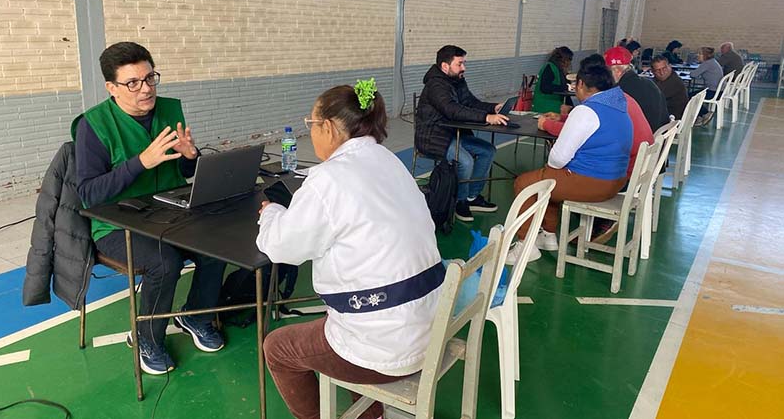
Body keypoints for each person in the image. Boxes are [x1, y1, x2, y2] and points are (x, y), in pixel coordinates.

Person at [258, 82, 443, 419]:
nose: (311, 133)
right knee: (348, 317)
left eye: (311, 125)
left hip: (386, 346)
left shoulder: (327, 180)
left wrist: (271, 213)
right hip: (431, 326)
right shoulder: (388, 160)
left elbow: (280, 248)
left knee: (278, 348)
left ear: (328, 127)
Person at [73, 42, 226, 375]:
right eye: (133, 83)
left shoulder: (169, 110)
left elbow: (185, 173)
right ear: (112, 88)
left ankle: (195, 316)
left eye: (150, 78)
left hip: (170, 212)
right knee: (164, 263)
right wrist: (140, 162)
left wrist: (191, 157)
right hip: (116, 224)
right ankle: (147, 338)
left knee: (217, 246)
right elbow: (88, 193)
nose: (145, 89)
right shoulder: (93, 125)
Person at [513, 54, 633, 250]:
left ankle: (525, 246)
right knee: (551, 178)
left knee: (525, 182)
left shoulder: (586, 111)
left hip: (595, 183)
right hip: (617, 180)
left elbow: (557, 159)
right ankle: (548, 237)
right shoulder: (618, 105)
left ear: (581, 84)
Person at [414, 45, 507, 222]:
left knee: (488, 151)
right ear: (445, 66)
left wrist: (493, 108)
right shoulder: (436, 85)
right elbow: (452, 110)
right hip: (433, 137)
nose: (464, 67)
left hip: (452, 134)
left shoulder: (457, 80)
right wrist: (487, 117)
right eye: (459, 64)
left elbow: (470, 102)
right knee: (465, 161)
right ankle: (460, 202)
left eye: (464, 63)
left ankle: (472, 197)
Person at [538, 67, 652, 180]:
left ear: (581, 84)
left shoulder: (596, 107)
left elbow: (575, 133)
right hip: (638, 164)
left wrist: (546, 124)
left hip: (620, 173)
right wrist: (562, 118)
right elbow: (593, 124)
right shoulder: (618, 99)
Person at [604, 46, 669, 132]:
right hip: (657, 135)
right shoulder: (649, 83)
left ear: (616, 70)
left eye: (607, 71)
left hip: (641, 137)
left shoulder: (620, 92)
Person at [532, 46, 574, 113]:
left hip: (555, 105)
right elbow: (545, 87)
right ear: (564, 59)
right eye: (569, 60)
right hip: (546, 106)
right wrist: (566, 87)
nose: (569, 63)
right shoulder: (549, 67)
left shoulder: (558, 69)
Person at [692, 46, 725, 126]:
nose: (697, 55)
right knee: (693, 94)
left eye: (700, 54)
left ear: (705, 55)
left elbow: (693, 74)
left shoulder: (707, 64)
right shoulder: (712, 62)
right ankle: (701, 115)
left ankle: (704, 114)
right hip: (718, 91)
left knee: (690, 97)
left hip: (712, 92)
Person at [651, 55, 689, 120]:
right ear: (653, 72)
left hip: (673, 119)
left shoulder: (675, 82)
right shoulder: (661, 80)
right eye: (657, 70)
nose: (662, 73)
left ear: (670, 66)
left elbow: (653, 99)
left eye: (664, 68)